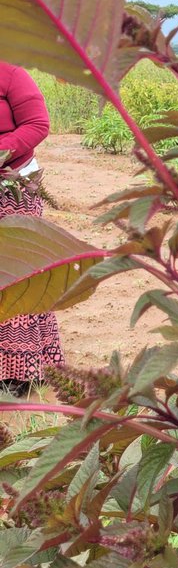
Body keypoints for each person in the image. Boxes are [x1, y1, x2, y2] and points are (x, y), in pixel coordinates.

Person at [0, 61, 65, 394]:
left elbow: (38, 124)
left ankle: (20, 372)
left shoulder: (11, 74)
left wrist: (1, 153)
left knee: (17, 272)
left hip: (14, 186)